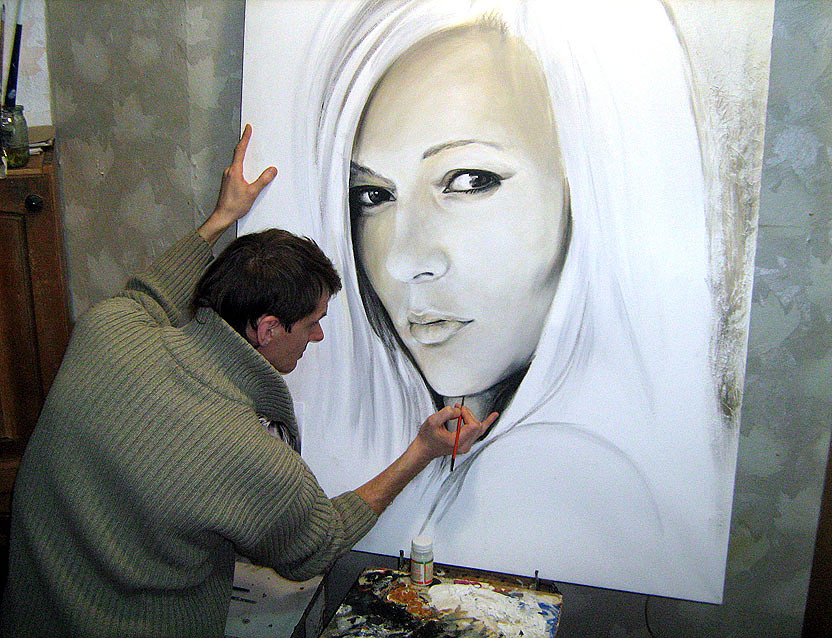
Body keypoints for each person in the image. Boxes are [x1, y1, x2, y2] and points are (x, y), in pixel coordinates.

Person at [260, 0, 736, 603]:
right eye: (372, 195)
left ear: (595, 186)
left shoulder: (560, 477)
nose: (404, 259)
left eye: (470, 181)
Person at [0, 125, 494, 637]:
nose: (319, 336)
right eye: (312, 323)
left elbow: (151, 290)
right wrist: (422, 450)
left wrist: (222, 218)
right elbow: (319, 543)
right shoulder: (245, 454)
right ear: (268, 329)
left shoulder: (109, 328)